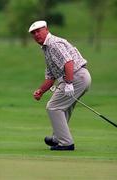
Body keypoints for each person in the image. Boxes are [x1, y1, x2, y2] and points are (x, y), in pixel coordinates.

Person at [28, 20, 91, 151]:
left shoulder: (53, 43)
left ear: (46, 29)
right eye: (33, 33)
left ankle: (66, 143)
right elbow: (51, 77)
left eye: (38, 31)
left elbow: (69, 62)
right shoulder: (46, 48)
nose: (36, 35)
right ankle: (57, 138)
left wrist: (68, 83)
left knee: (53, 107)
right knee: (64, 107)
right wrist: (41, 91)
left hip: (75, 76)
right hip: (78, 77)